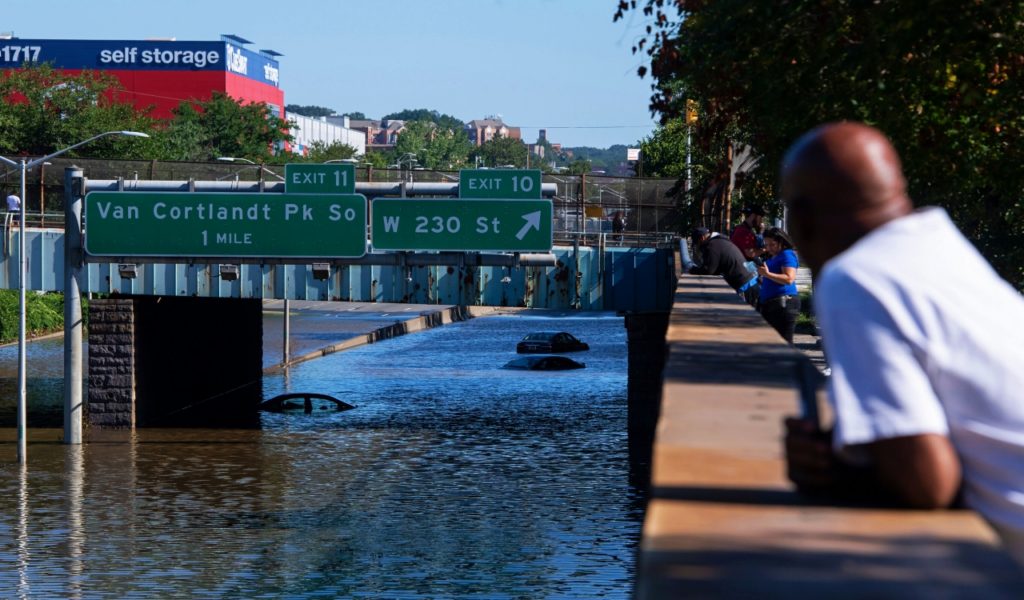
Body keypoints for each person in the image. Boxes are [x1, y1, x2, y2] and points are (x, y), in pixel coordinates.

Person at [781, 121, 1024, 564]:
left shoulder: (855, 277)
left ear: (802, 218)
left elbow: (925, 483)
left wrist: (835, 476)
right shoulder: (941, 248)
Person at [681, 227, 760, 307]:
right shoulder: (720, 240)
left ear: (702, 238)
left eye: (697, 243)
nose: (698, 247)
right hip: (751, 281)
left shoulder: (712, 246)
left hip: (745, 286)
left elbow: (708, 270)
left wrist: (692, 269)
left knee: (745, 316)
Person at [756, 227, 800, 343]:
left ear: (781, 242)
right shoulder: (776, 255)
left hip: (783, 305)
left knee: (784, 343)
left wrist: (767, 274)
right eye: (766, 244)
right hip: (772, 304)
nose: (769, 248)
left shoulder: (787, 255)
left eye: (772, 244)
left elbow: (789, 278)